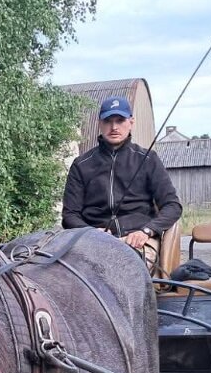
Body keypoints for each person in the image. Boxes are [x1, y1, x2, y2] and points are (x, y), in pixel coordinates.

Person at [61, 96, 182, 275]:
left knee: (122, 269)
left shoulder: (148, 160)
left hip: (138, 239)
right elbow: (70, 215)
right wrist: (92, 232)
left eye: (120, 120)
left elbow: (172, 206)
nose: (114, 127)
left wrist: (147, 231)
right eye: (108, 121)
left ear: (131, 122)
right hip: (93, 240)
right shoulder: (81, 164)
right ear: (99, 124)